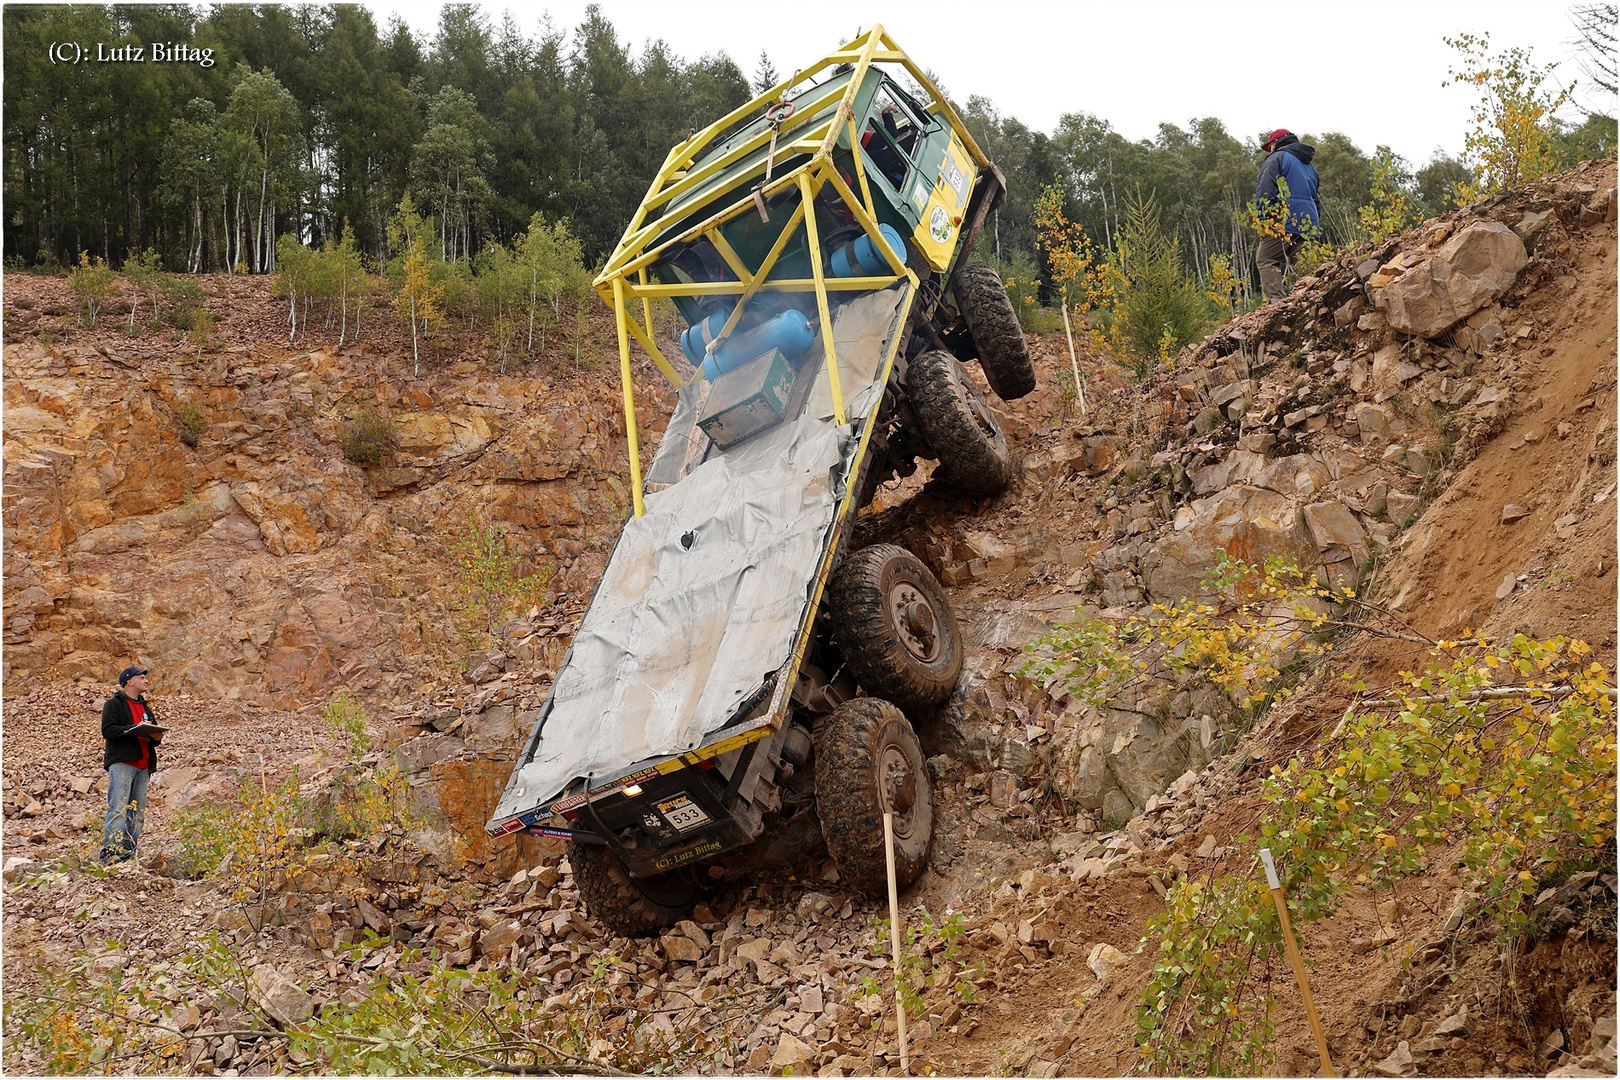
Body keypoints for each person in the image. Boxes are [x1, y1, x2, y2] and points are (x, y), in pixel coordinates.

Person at [100, 665, 164, 865]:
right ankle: (111, 851)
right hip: (123, 763)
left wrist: (156, 737)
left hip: (144, 766)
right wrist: (134, 729)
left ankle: (128, 853)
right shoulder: (114, 704)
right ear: (129, 681)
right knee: (118, 808)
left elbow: (152, 740)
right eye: (141, 677)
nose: (146, 680)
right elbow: (108, 730)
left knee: (137, 813)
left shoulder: (146, 708)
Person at [1254, 128, 1320, 300]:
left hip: (1284, 218)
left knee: (1266, 259)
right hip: (1309, 221)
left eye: (1270, 146)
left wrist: (1263, 220)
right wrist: (1314, 223)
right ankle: (1310, 301)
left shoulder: (1276, 158)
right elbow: (1316, 198)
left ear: (1276, 143)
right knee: (1302, 264)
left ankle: (1277, 305)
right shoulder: (1310, 166)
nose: (1270, 150)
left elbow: (1265, 191)